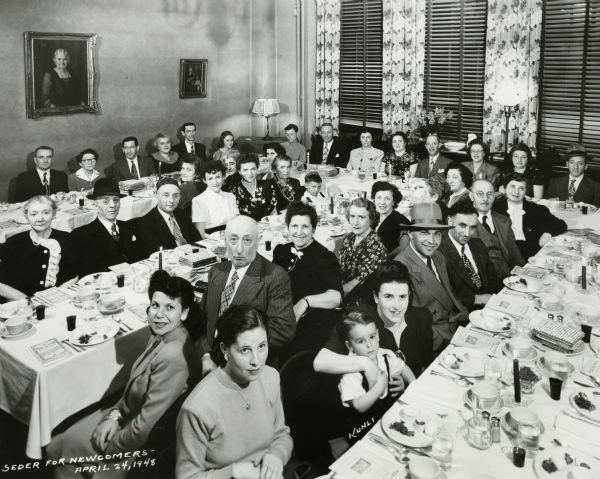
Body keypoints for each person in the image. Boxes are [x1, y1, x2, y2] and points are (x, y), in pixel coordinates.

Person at [48, 271, 200, 479]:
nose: (158, 314)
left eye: (170, 307)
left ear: (184, 313)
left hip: (140, 444)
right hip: (125, 417)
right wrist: (114, 415)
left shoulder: (174, 355)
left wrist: (110, 450)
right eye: (155, 305)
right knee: (62, 443)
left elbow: (144, 426)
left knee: (62, 447)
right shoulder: (162, 334)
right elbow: (132, 388)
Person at [176, 305, 293, 479]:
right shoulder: (197, 408)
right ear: (225, 350)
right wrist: (235, 472)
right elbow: (186, 477)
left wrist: (276, 455)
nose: (256, 361)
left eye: (262, 346)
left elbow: (282, 435)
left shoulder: (270, 377)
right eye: (245, 350)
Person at [198, 216, 295, 372]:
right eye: (233, 240)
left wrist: (227, 354)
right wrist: (206, 355)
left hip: (248, 366)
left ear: (258, 241)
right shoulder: (217, 271)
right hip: (209, 359)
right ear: (224, 240)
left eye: (247, 241)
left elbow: (283, 331)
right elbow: (202, 320)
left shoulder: (274, 276)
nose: (239, 249)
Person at [314, 260, 433, 378]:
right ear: (376, 297)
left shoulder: (422, 318)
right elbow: (320, 363)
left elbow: (426, 366)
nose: (397, 306)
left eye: (402, 297)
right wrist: (366, 364)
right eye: (388, 296)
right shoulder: (358, 318)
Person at [393, 203, 468, 353]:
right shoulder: (400, 268)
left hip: (456, 325)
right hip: (433, 341)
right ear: (410, 234)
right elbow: (405, 323)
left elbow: (448, 296)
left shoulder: (438, 256)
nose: (432, 241)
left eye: (437, 234)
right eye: (424, 233)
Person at [273, 202, 343, 358]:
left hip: (308, 324)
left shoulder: (324, 257)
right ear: (288, 227)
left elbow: (336, 298)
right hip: (279, 317)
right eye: (294, 226)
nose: (299, 232)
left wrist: (305, 302)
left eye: (305, 227)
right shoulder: (281, 251)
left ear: (314, 229)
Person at [338, 310, 415, 443]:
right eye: (361, 341)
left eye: (372, 337)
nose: (369, 345)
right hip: (363, 429)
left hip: (388, 419)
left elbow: (403, 367)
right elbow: (359, 406)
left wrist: (413, 385)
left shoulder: (385, 355)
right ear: (349, 346)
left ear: (378, 335)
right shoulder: (350, 372)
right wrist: (379, 386)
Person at [0, 196, 77, 297]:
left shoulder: (67, 239)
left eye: (46, 213)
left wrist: (55, 296)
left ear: (54, 214)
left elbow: (75, 276)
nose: (40, 219)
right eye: (33, 214)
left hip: (60, 300)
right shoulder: (13, 243)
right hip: (23, 305)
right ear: (27, 217)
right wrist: (27, 300)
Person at [437, 201, 500, 312]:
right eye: (462, 225)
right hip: (463, 313)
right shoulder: (439, 253)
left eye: (473, 227)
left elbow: (492, 276)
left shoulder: (477, 244)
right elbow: (444, 294)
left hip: (490, 308)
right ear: (450, 221)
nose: (468, 233)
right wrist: (477, 299)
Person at [71, 178, 142, 276]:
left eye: (116, 200)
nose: (113, 205)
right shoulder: (81, 235)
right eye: (105, 202)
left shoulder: (128, 227)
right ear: (95, 204)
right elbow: (87, 273)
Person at [493, 173, 567, 260]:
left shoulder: (537, 209)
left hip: (531, 253)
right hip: (504, 254)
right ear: (505, 189)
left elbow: (561, 224)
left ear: (526, 191)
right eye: (512, 187)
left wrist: (548, 233)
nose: (516, 191)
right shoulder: (495, 209)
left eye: (521, 188)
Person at [470, 179, 525, 279]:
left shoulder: (504, 221)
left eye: (489, 194)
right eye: (480, 194)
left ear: (494, 197)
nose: (485, 199)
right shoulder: (464, 221)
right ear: (471, 196)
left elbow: (513, 252)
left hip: (506, 275)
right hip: (481, 278)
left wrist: (524, 272)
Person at [339, 198, 387, 304]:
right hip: (342, 290)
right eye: (352, 216)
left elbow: (356, 285)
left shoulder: (376, 247)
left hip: (360, 301)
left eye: (361, 217)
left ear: (371, 220)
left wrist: (331, 293)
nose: (355, 222)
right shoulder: (349, 237)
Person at [137, 177, 200, 256]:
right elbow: (157, 254)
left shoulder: (182, 214)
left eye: (175, 195)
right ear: (157, 196)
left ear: (180, 197)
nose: (171, 200)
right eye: (166, 195)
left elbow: (197, 240)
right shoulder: (146, 223)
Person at [192, 160, 239, 238]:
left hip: (234, 237)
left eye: (217, 177)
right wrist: (216, 238)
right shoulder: (198, 200)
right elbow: (200, 233)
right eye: (210, 179)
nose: (215, 182)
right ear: (204, 181)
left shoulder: (230, 196)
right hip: (211, 241)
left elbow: (238, 222)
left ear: (223, 177)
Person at [228, 153, 277, 221]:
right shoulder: (234, 190)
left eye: (253, 169)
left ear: (257, 169)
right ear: (239, 172)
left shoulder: (267, 185)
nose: (250, 173)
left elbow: (274, 213)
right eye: (245, 170)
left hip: (268, 227)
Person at [371, 181, 409, 253]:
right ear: (374, 199)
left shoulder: (401, 222)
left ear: (393, 201)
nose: (382, 202)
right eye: (379, 198)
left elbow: (404, 249)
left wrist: (386, 259)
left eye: (387, 199)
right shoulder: (374, 216)